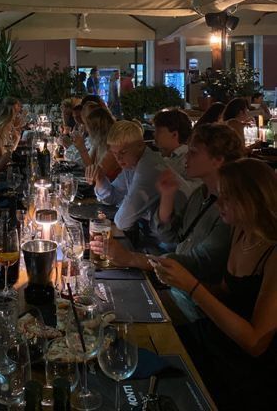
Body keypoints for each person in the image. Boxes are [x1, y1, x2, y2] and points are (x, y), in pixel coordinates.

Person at [154, 158, 277, 410]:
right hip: (214, 339)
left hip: (245, 372)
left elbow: (255, 343)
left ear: (253, 199)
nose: (218, 203)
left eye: (226, 198)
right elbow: (224, 293)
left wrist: (192, 287)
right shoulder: (240, 231)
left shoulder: (273, 253)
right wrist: (177, 281)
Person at [91, 123, 243, 321]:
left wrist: (131, 258)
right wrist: (167, 197)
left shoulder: (231, 211)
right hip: (174, 288)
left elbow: (195, 265)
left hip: (194, 310)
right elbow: (173, 237)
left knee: (109, 311)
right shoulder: (201, 194)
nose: (185, 158)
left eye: (193, 153)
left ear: (217, 160)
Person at [86, 120, 167, 234]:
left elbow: (122, 222)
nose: (118, 159)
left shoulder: (148, 169)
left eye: (123, 152)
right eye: (114, 153)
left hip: (166, 242)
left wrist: (122, 206)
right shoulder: (131, 164)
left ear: (140, 145)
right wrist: (99, 178)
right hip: (149, 231)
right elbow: (113, 197)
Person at [153, 109, 198, 194]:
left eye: (158, 131)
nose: (154, 134)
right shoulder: (159, 156)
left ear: (174, 134)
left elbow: (191, 191)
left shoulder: (188, 159)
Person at [73, 107, 121, 181]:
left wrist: (82, 148)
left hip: (110, 189)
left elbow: (95, 176)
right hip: (98, 188)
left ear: (96, 129)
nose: (86, 129)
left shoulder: (112, 148)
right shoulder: (98, 143)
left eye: (87, 126)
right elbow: (89, 166)